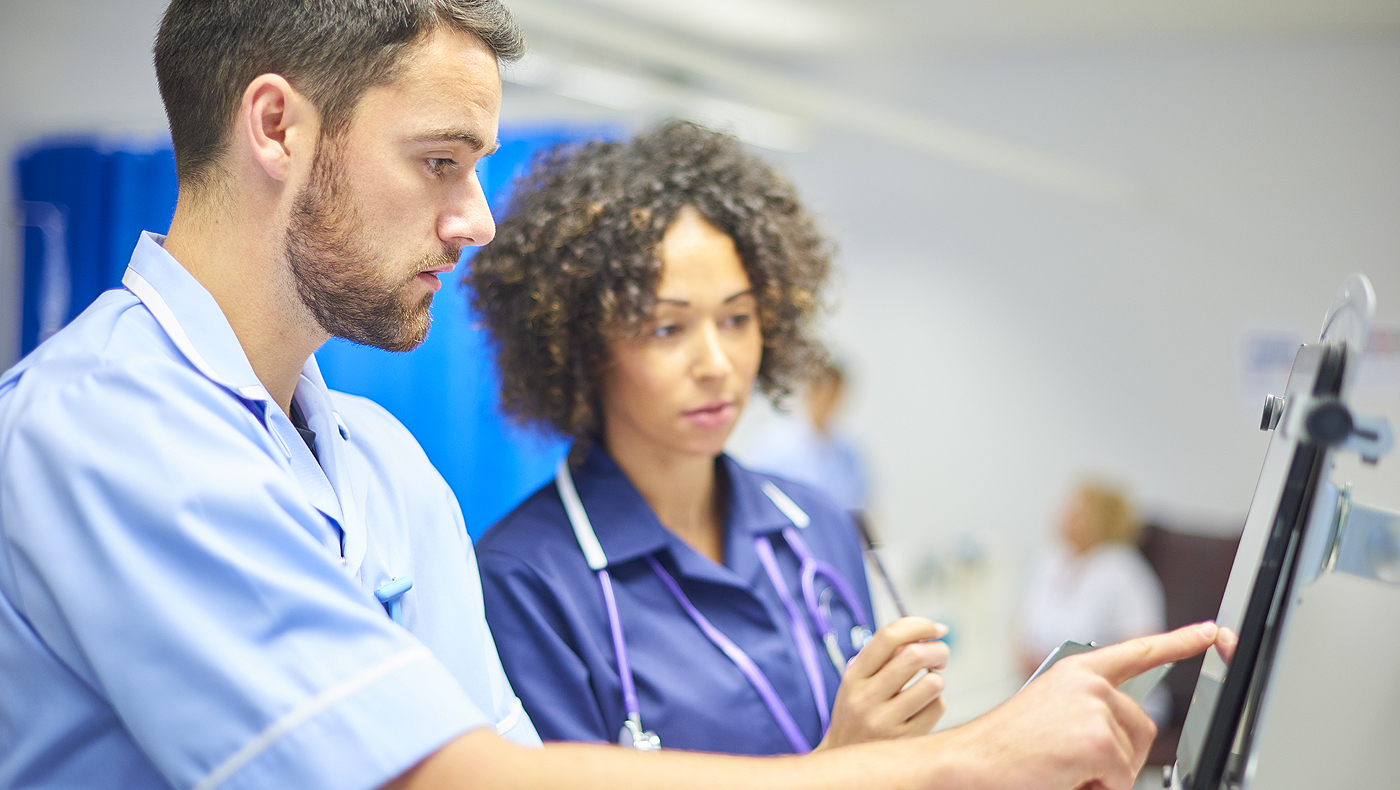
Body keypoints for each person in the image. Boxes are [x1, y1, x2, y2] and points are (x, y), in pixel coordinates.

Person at [0, 1, 1222, 789]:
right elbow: (447, 781)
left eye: (737, 322)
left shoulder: (375, 462)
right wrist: (957, 761)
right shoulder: (103, 432)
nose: (474, 218)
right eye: (439, 162)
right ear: (275, 124)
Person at [467, 121, 944, 754]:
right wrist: (837, 765)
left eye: (738, 318)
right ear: (582, 348)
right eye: (668, 328)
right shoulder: (526, 579)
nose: (717, 362)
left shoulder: (816, 524)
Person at [1017, 480, 1169, 719]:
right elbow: (1024, 633)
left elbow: (1142, 647)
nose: (1064, 514)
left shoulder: (1123, 569)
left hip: (1114, 699)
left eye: (1077, 510)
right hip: (1052, 694)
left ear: (1100, 519)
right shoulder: (1050, 560)